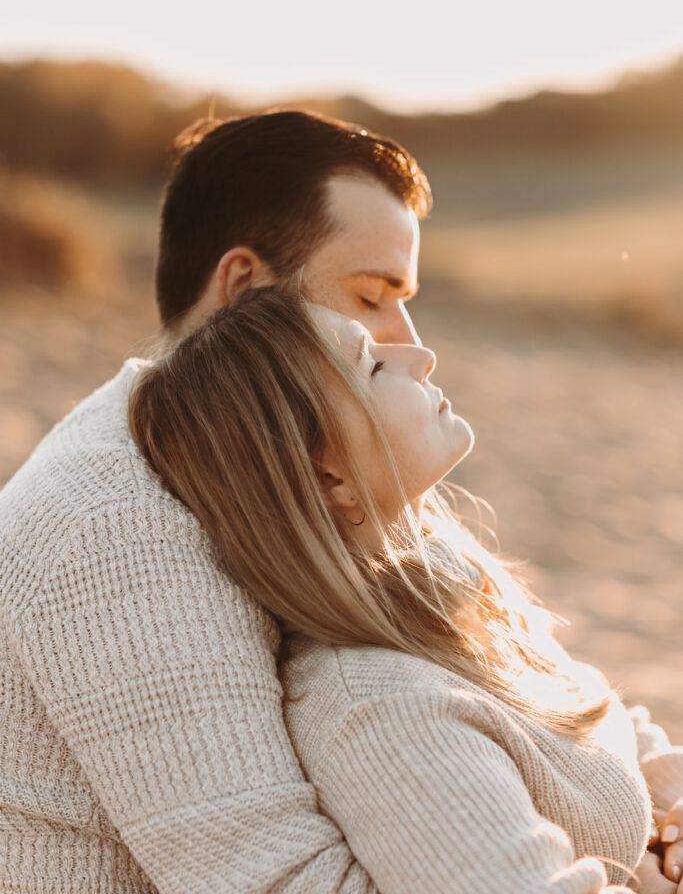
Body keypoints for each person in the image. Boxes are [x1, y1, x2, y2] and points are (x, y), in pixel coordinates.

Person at [0, 109, 678, 894]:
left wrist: (667, 801)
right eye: (369, 296)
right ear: (247, 290)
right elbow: (278, 881)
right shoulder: (118, 530)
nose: (407, 341)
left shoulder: (337, 475)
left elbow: (533, 678)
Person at [127, 281, 683, 894]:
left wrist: (666, 791)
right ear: (328, 475)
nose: (420, 357)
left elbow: (578, 706)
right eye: (372, 364)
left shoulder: (445, 585)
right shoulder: (385, 711)